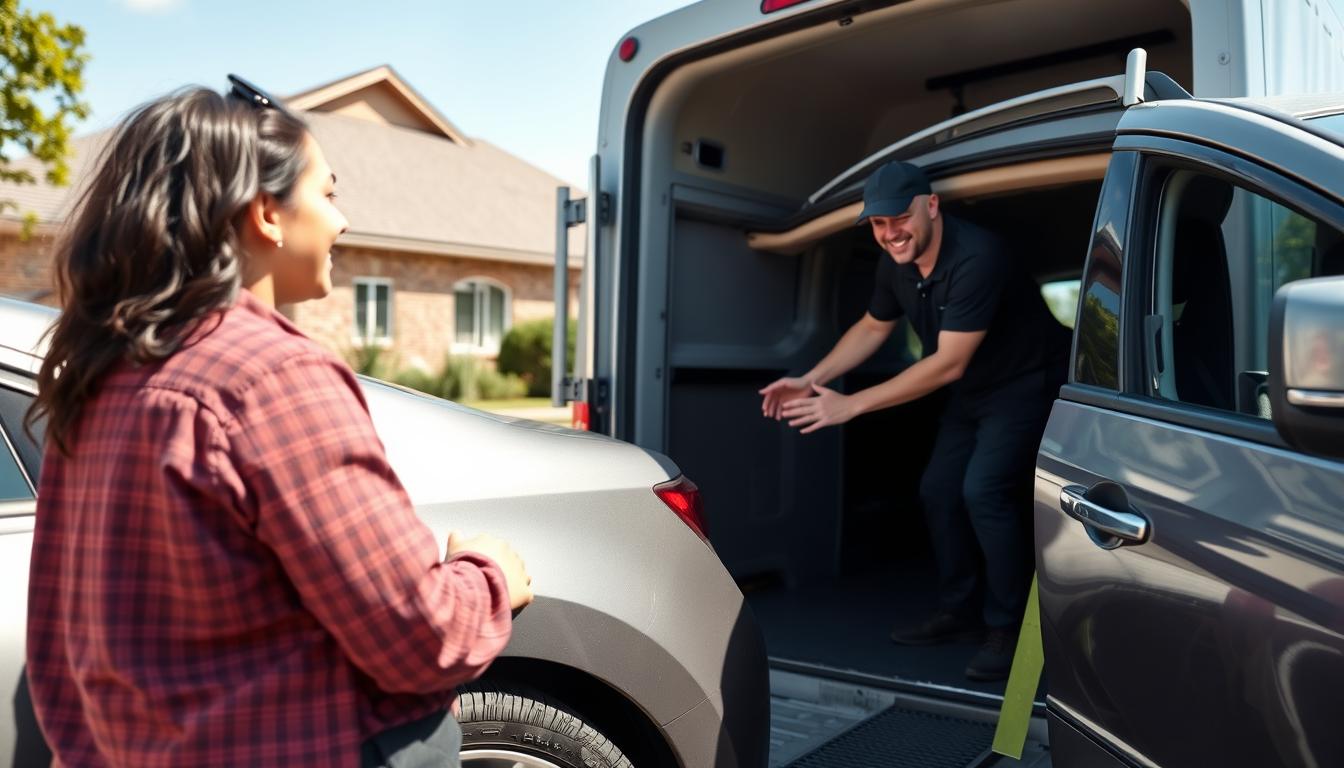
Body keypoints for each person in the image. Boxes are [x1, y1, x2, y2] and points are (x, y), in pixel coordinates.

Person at [23, 77, 531, 767]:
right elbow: (419, 637)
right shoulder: (271, 379)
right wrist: (490, 573)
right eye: (327, 193)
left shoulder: (92, 380)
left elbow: (57, 659)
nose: (341, 220)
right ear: (265, 211)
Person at [759, 160, 1069, 681]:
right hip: (972, 393)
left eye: (899, 219)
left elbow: (948, 362)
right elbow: (872, 327)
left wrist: (850, 405)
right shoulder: (895, 262)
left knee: (984, 492)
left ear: (931, 206)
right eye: (878, 224)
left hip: (1023, 384)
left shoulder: (978, 257)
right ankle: (958, 612)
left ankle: (1007, 626)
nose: (889, 233)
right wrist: (812, 377)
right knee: (938, 490)